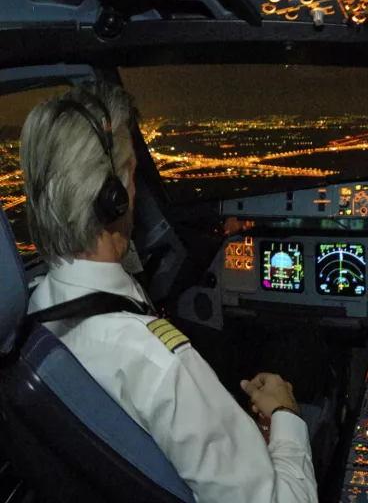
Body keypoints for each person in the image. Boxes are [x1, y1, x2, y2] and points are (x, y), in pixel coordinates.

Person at [22, 83, 318, 503]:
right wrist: (286, 415)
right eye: (132, 174)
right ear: (113, 199)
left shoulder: (37, 309)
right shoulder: (160, 364)